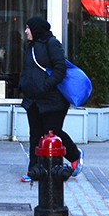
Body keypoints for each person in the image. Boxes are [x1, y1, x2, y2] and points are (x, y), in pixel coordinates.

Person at [18, 16, 82, 183]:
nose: (25, 31)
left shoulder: (52, 44)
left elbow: (60, 68)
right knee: (35, 136)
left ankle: (75, 156)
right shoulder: (30, 47)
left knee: (53, 133)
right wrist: (23, 85)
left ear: (36, 29)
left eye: (28, 28)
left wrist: (45, 86)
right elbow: (28, 71)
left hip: (53, 101)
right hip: (33, 100)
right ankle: (34, 171)